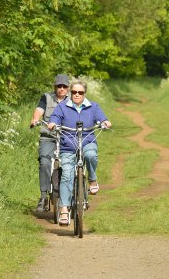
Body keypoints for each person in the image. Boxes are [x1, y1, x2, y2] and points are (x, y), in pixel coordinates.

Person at [47, 79, 111, 226]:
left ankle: (92, 179)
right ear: (70, 92)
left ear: (84, 94)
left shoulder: (93, 106)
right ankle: (64, 209)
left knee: (91, 155)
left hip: (87, 142)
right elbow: (55, 118)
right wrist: (53, 123)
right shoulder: (63, 107)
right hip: (68, 147)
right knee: (67, 174)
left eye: (80, 92)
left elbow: (102, 118)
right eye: (74, 92)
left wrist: (105, 122)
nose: (76, 95)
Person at [29, 74, 70, 213]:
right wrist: (35, 119)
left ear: (68, 88)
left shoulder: (73, 100)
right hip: (48, 136)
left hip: (67, 138)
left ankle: (77, 195)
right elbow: (39, 110)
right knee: (45, 162)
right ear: (55, 86)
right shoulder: (46, 97)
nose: (62, 89)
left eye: (64, 86)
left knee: (72, 163)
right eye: (59, 86)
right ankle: (43, 197)